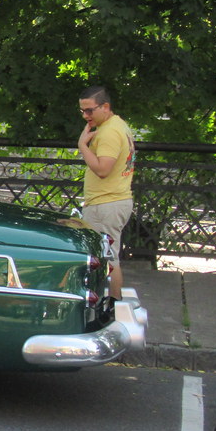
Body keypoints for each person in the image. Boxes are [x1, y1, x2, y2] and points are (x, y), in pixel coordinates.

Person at [77, 85, 135, 300]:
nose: (85, 116)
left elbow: (103, 169)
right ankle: (112, 305)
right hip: (113, 200)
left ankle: (112, 307)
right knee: (107, 256)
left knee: (107, 260)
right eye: (82, 111)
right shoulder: (119, 124)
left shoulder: (109, 131)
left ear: (105, 107)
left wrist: (82, 146)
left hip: (106, 203)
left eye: (89, 110)